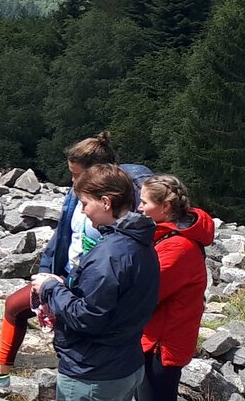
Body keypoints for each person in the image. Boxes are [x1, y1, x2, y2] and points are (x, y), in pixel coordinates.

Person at [0, 131, 152, 392]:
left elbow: (89, 315)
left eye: (76, 175)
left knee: (83, 332)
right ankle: (2, 372)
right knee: (15, 306)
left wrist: (54, 289)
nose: (72, 183)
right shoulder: (82, 197)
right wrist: (48, 275)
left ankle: (76, 378)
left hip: (88, 292)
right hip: (69, 278)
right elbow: (63, 236)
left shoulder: (119, 229)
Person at [29, 164, 159, 400]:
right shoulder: (141, 241)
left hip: (93, 373)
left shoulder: (109, 254)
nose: (82, 211)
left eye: (85, 203)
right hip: (127, 363)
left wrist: (50, 288)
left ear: (106, 203)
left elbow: (87, 317)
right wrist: (67, 285)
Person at [135, 175, 212, 401]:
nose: (139, 208)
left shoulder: (178, 247)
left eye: (144, 203)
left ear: (165, 206)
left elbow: (146, 293)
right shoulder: (172, 236)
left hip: (162, 344)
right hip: (157, 338)